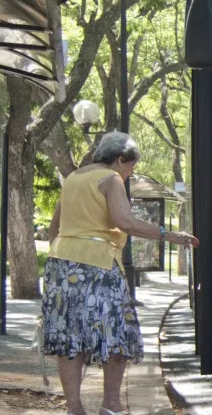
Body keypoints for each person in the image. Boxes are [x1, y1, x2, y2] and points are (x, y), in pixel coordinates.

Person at [43, 131, 199, 415]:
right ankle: (111, 405)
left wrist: (67, 255)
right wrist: (170, 235)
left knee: (70, 338)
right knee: (116, 334)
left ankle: (74, 409)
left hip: (60, 266)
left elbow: (55, 229)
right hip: (98, 265)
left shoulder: (74, 178)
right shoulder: (111, 179)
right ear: (120, 160)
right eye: (131, 167)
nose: (130, 173)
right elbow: (124, 221)